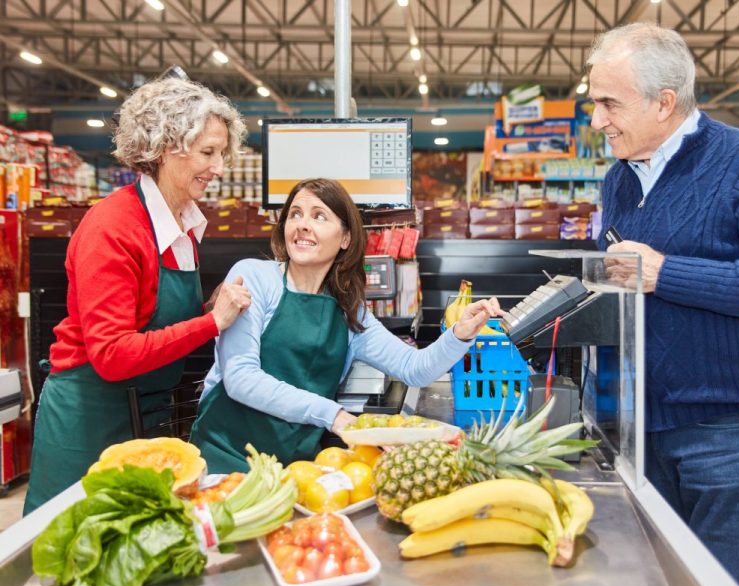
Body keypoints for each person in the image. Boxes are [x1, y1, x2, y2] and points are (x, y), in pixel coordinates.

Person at [590, 23, 739, 586]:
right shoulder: (619, 180)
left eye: (610, 103)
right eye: (594, 103)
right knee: (656, 584)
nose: (598, 120)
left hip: (724, 431)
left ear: (664, 102)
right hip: (639, 426)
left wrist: (663, 272)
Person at [24, 78, 253, 514]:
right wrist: (211, 322)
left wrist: (211, 305)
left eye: (222, 153)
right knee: (74, 549)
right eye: (208, 153)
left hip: (146, 414)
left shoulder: (182, 222)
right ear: (166, 147)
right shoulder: (113, 227)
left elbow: (155, 319)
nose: (219, 168)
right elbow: (111, 352)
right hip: (89, 421)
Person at [189, 178, 503, 473]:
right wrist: (335, 416)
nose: (302, 224)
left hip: (294, 468)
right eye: (295, 214)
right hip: (224, 457)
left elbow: (414, 367)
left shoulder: (350, 312)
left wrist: (460, 334)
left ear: (345, 238)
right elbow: (241, 379)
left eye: (319, 216)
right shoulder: (254, 277)